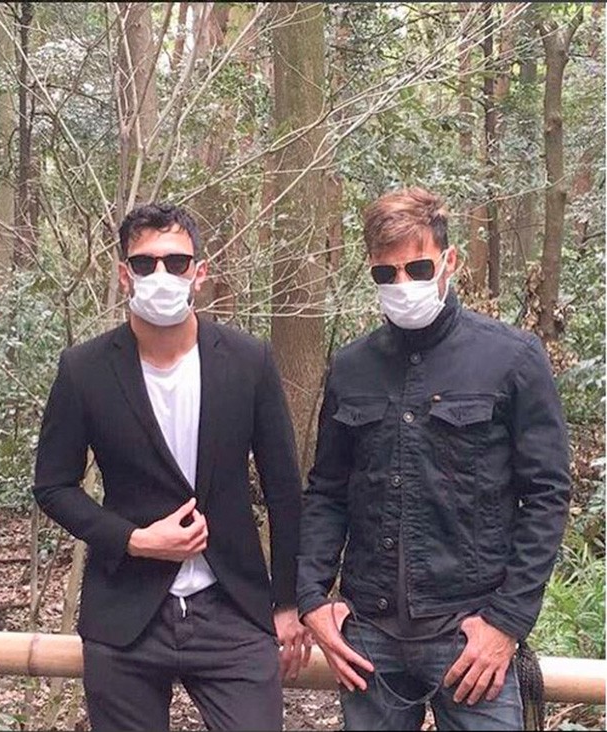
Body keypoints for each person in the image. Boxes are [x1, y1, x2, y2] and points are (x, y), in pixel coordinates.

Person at [297, 187, 570, 731]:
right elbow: (327, 491)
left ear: (450, 261)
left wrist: (507, 622)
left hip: (472, 635)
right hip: (369, 635)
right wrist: (310, 598)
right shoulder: (351, 367)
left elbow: (546, 496)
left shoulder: (512, 358)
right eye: (386, 273)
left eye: (417, 268)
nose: (403, 284)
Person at [33, 203, 311, 732]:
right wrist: (133, 539)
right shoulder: (84, 369)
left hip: (233, 607)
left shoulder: (248, 360)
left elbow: (284, 491)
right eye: (145, 263)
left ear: (198, 273)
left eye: (176, 261)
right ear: (125, 274)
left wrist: (287, 602)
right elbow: (53, 486)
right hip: (125, 616)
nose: (161, 274)